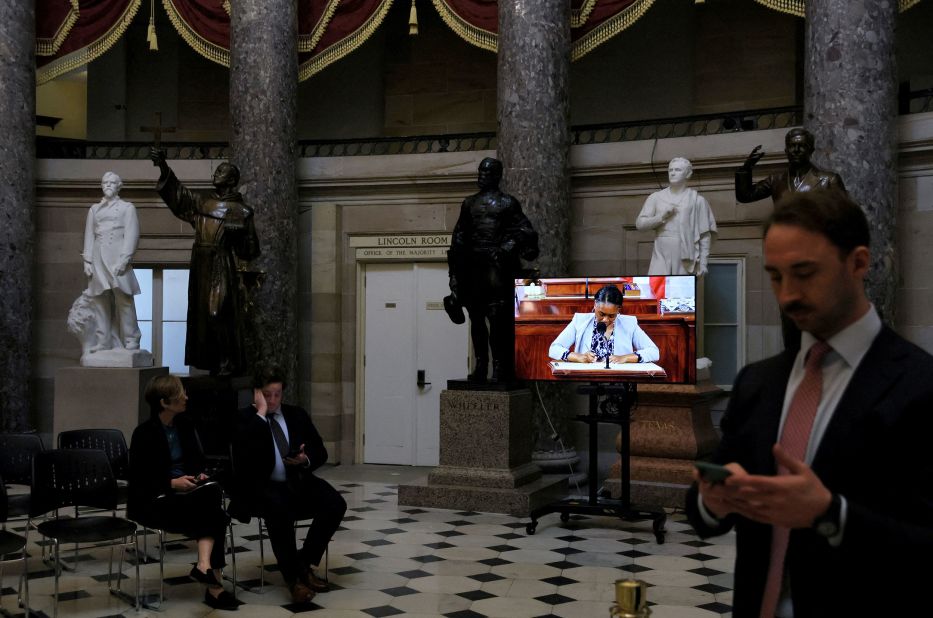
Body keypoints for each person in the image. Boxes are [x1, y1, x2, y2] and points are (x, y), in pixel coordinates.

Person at [685, 190, 933, 617]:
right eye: (776, 276)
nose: (787, 296)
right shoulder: (757, 382)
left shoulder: (920, 385)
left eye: (804, 273)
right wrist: (713, 501)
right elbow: (703, 509)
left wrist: (830, 514)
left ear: (858, 263)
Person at [229, 366, 347, 604]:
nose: (273, 400)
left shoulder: (296, 415)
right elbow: (244, 460)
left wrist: (305, 459)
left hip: (297, 481)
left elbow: (320, 451)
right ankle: (294, 580)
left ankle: (304, 562)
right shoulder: (244, 419)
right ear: (257, 393)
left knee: (335, 503)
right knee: (279, 509)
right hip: (261, 487)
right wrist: (261, 414)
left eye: (277, 394)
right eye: (267, 394)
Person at [128, 375, 241, 611]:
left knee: (211, 501)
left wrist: (197, 476)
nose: (186, 397)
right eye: (180, 394)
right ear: (165, 403)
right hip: (156, 500)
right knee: (216, 515)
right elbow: (140, 480)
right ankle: (213, 586)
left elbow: (196, 461)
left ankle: (205, 569)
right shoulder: (143, 433)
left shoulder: (185, 425)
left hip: (187, 497)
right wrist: (171, 483)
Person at [149, 148, 261, 376]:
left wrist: (238, 235)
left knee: (217, 311)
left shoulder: (242, 212)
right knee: (202, 316)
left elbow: (250, 251)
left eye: (221, 171)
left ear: (231, 179)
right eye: (217, 170)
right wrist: (163, 166)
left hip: (221, 263)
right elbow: (179, 196)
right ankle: (214, 362)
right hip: (201, 264)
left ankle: (228, 360)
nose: (216, 173)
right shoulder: (202, 203)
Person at [446, 157, 539, 382]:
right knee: (476, 319)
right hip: (473, 266)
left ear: (497, 176)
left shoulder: (507, 203)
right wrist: (454, 274)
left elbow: (526, 232)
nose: (482, 176)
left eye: (487, 172)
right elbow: (459, 237)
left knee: (498, 320)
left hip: (496, 268)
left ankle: (499, 368)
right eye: (480, 172)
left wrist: (506, 248)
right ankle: (481, 366)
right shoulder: (468, 204)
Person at [81, 171, 142, 352]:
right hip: (98, 258)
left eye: (111, 182)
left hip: (117, 258)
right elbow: (89, 236)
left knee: (124, 299)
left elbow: (132, 235)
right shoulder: (94, 209)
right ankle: (104, 340)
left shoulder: (127, 208)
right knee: (99, 300)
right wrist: (88, 261)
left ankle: (132, 339)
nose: (107, 185)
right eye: (105, 182)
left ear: (118, 186)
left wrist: (125, 259)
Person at [636, 157, 717, 276]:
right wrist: (661, 217)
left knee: (681, 291)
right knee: (658, 286)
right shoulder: (656, 197)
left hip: (684, 251)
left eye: (678, 170)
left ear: (688, 173)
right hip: (661, 250)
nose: (673, 173)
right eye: (670, 170)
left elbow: (704, 234)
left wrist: (703, 263)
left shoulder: (697, 200)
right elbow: (640, 224)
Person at [548, 285, 659, 365]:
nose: (605, 320)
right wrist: (577, 356)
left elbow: (654, 352)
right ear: (595, 305)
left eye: (611, 316)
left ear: (618, 310)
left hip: (619, 378)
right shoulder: (580, 321)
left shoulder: (629, 323)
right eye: (601, 314)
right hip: (586, 377)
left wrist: (625, 358)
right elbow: (554, 349)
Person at [734, 127, 846, 205]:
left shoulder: (828, 180)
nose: (796, 150)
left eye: (802, 146)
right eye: (792, 146)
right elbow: (745, 196)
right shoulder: (775, 180)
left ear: (811, 150)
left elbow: (845, 216)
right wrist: (746, 168)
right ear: (786, 151)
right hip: (784, 237)